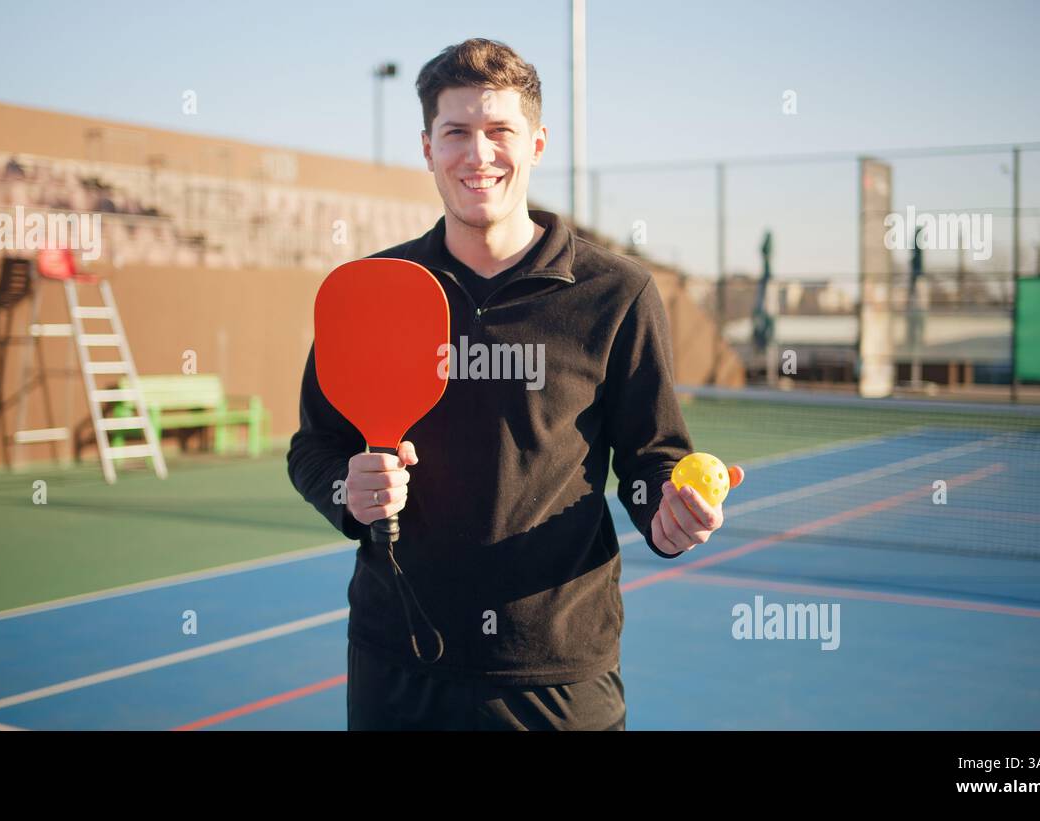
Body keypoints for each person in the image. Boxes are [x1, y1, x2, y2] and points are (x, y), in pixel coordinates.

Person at [288, 38, 725, 731]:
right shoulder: (375, 291)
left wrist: (666, 513)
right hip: (397, 667)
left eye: (500, 131)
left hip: (556, 674)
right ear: (427, 147)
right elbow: (313, 447)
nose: (478, 154)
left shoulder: (618, 293)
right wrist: (350, 489)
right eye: (456, 132)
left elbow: (651, 458)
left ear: (537, 142)